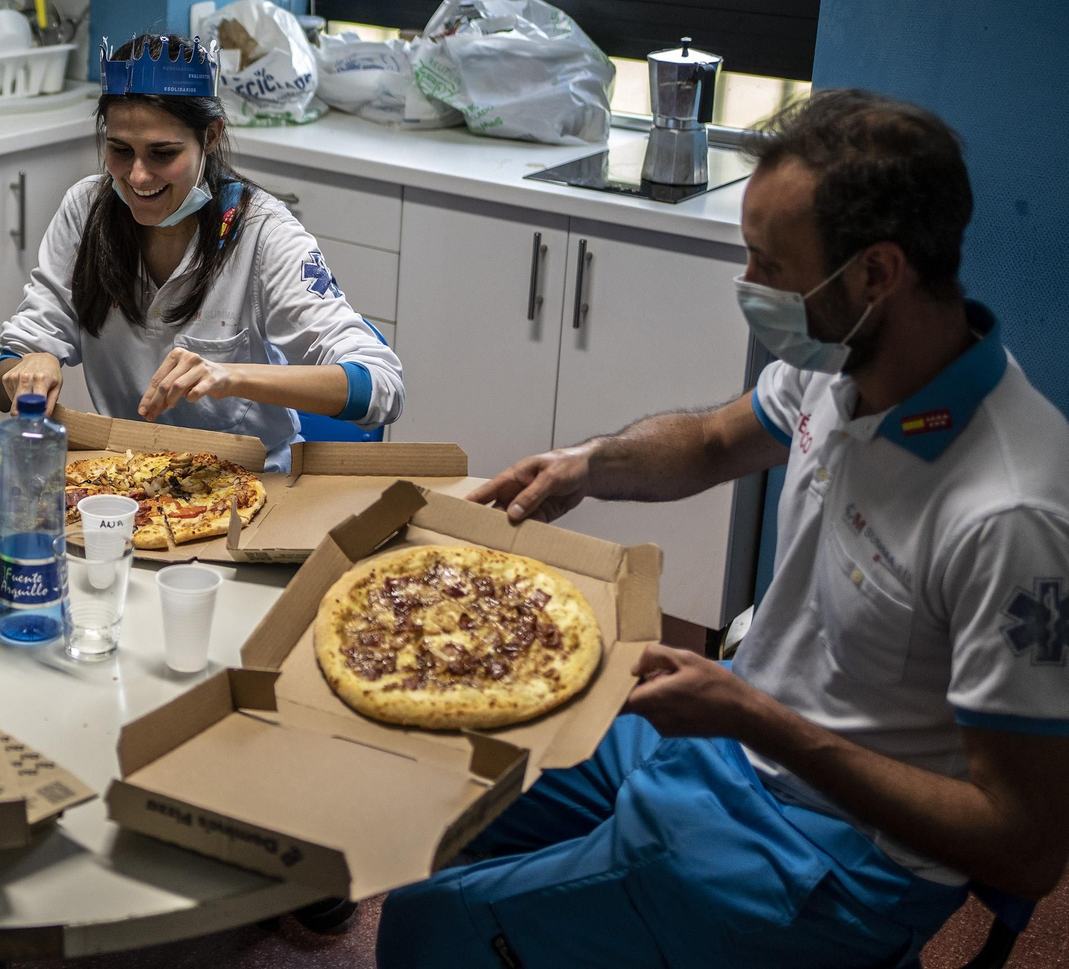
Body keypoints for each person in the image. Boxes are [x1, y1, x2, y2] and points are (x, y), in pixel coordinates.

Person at [375, 91, 1069, 969]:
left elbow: (1027, 848)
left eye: (770, 264)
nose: (748, 285)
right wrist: (584, 466)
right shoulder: (848, 364)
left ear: (876, 273)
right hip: (741, 735)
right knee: (453, 782)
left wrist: (756, 717)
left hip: (831, 847)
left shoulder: (1013, 514)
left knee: (426, 929)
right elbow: (708, 442)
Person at [0, 33, 403, 471]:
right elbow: (3, 382)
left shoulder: (263, 234)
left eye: (162, 153)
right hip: (130, 482)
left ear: (210, 136)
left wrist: (232, 377)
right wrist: (29, 365)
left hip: (253, 488)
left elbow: (382, 386)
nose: (137, 175)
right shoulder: (84, 212)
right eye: (119, 150)